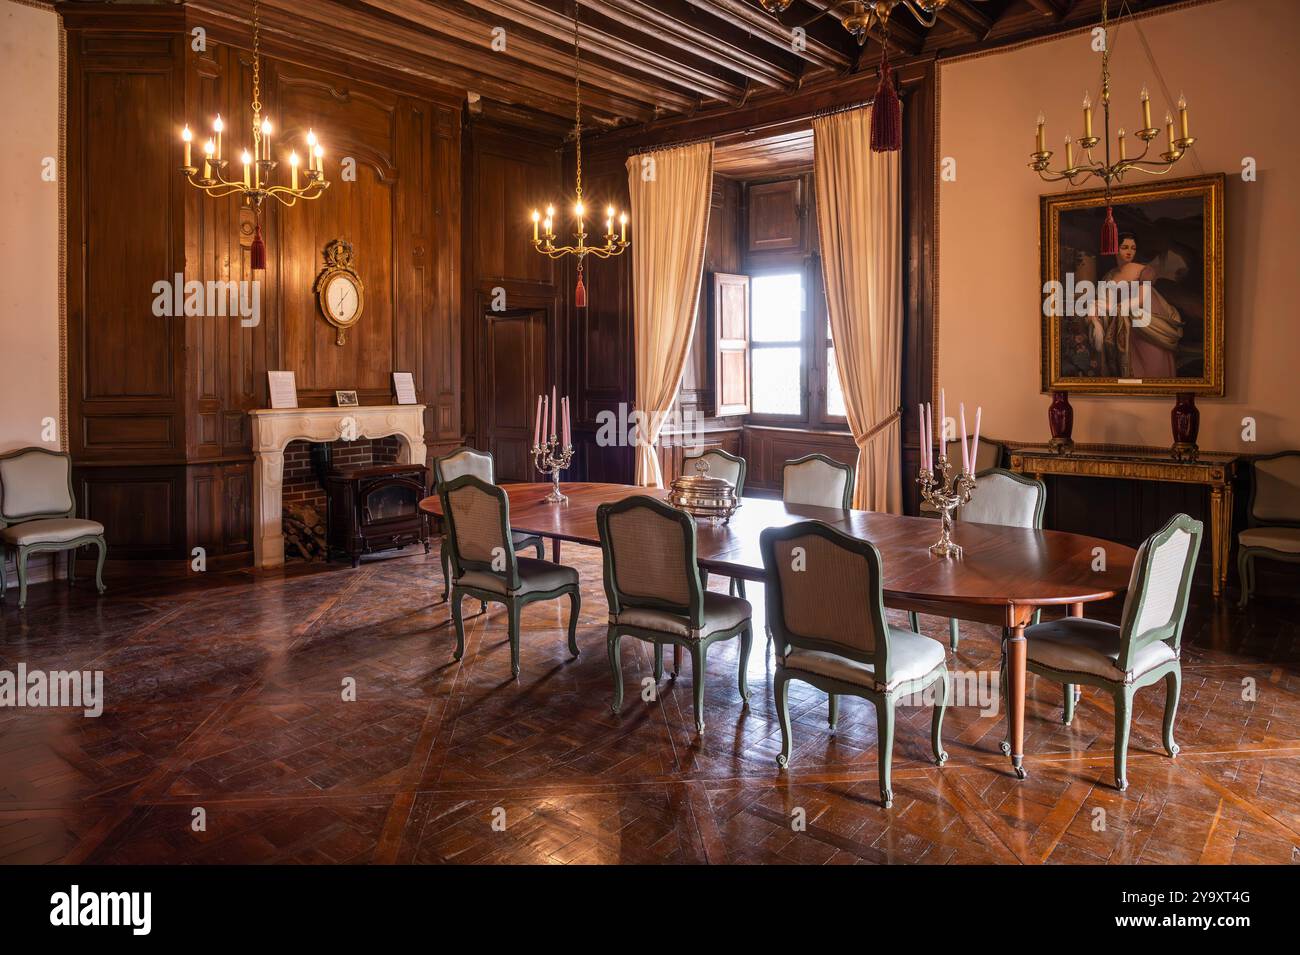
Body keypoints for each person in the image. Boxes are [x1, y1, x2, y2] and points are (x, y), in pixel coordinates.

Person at [1101, 232, 1183, 378]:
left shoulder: (1144, 270)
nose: (1129, 251)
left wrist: (1113, 308)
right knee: (1133, 365)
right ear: (1115, 249)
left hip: (1147, 323)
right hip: (1125, 327)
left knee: (1153, 360)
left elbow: (1140, 300)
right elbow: (1106, 301)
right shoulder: (1110, 275)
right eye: (1124, 247)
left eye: (1133, 248)